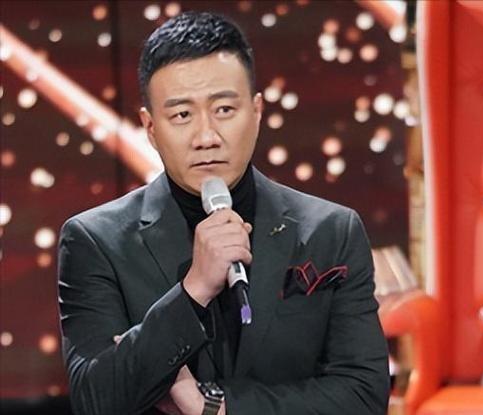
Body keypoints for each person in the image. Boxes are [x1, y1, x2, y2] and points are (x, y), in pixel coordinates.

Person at [57, 11, 389, 415]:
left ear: (257, 111)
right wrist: (193, 290)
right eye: (182, 115)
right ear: (151, 128)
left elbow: (364, 395)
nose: (206, 137)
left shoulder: (331, 231)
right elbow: (95, 400)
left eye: (225, 110)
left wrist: (217, 407)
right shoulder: (95, 241)